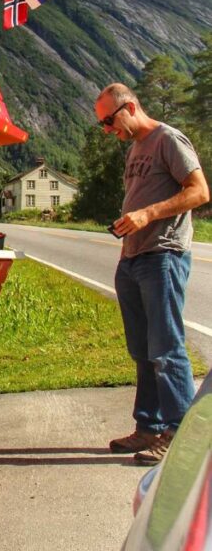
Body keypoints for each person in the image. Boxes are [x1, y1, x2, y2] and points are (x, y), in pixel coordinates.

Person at [94, 82, 209, 465]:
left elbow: (199, 192)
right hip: (132, 257)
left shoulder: (168, 139)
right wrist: (130, 220)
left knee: (165, 348)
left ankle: (179, 432)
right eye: (103, 125)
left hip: (164, 255)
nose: (108, 130)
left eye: (109, 120)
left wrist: (147, 214)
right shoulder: (135, 150)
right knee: (142, 350)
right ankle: (148, 426)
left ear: (130, 106)